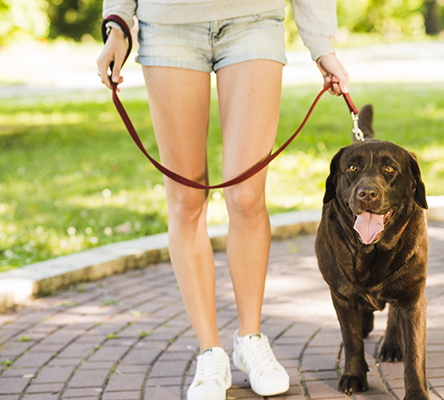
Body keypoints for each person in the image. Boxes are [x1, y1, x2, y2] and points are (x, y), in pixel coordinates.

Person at [97, 1, 349, 399]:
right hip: (168, 24)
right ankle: (210, 351)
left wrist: (321, 44)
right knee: (186, 199)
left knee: (247, 196)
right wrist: (117, 24)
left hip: (253, 20)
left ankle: (250, 339)